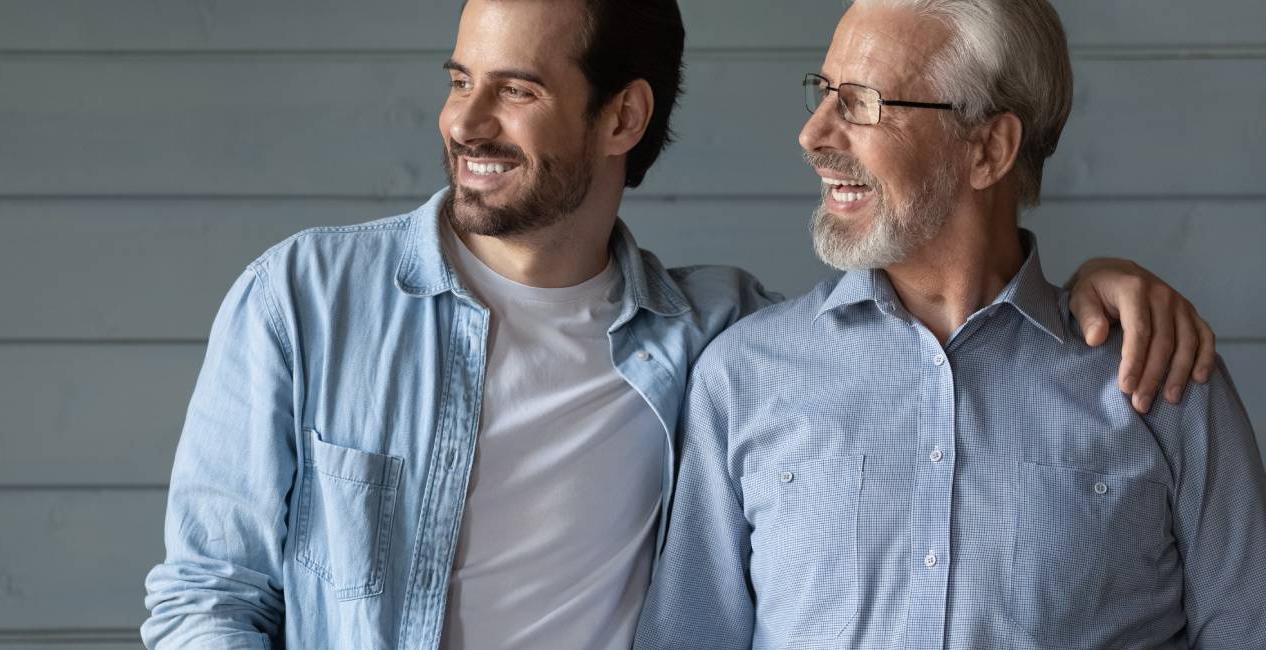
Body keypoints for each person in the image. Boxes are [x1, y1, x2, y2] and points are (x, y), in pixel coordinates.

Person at [142, 1, 1217, 648]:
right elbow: (208, 597)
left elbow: (923, 333)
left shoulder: (712, 338)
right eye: (459, 79)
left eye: (516, 90)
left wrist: (1097, 285)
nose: (463, 120)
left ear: (623, 115)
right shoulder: (305, 298)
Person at [634, 0, 1265, 648]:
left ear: (989, 149)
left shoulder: (1162, 379)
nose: (814, 134)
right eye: (823, 93)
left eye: (863, 102)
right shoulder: (742, 378)